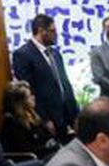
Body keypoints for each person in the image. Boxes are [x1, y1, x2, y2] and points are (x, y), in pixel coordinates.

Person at [10, 13, 80, 144]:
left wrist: (75, 113)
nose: (56, 35)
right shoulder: (23, 55)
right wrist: (44, 119)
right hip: (48, 118)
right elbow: (29, 91)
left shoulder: (55, 53)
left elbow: (65, 84)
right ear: (41, 31)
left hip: (67, 115)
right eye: (52, 31)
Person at [0, 80, 61, 160]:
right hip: (33, 159)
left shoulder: (32, 115)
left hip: (46, 154)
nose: (33, 97)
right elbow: (27, 150)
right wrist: (51, 148)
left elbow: (47, 136)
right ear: (20, 102)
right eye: (29, 96)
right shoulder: (11, 122)